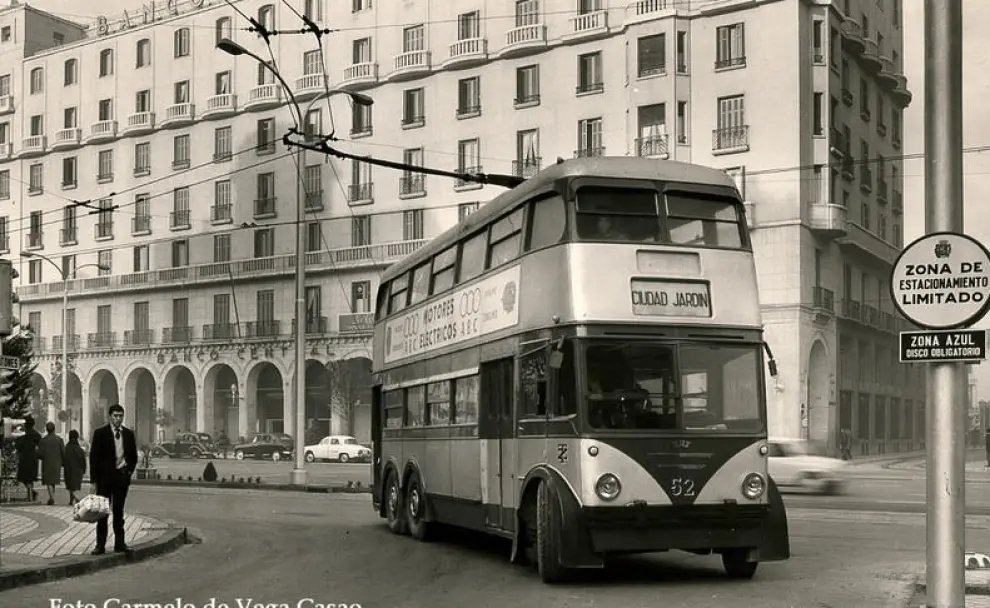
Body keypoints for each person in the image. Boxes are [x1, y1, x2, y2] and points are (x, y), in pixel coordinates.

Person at [89, 404, 138, 554]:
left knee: (118, 511)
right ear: (110, 416)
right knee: (103, 512)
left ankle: (120, 543)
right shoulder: (100, 433)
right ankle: (100, 545)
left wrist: (128, 471)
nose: (118, 419)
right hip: (105, 479)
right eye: (115, 416)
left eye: (120, 416)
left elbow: (133, 456)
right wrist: (93, 481)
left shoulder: (128, 434)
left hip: (121, 478)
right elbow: (94, 458)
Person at [14, 417, 41, 501]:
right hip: (33, 458)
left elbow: (17, 446)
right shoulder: (37, 435)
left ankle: (30, 496)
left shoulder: (21, 434)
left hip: (24, 458)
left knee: (23, 477)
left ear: (25, 424)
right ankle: (31, 494)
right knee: (30, 477)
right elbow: (40, 446)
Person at [38, 421, 64, 505]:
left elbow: (40, 453)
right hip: (57, 463)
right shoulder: (59, 440)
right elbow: (63, 452)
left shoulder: (43, 440)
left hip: (47, 463)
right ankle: (51, 497)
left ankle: (52, 498)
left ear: (46, 429)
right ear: (54, 429)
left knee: (49, 481)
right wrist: (63, 462)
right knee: (53, 481)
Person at [63, 429, 87, 505]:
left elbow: (64, 458)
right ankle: (72, 500)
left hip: (69, 469)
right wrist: (84, 469)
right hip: (78, 470)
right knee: (74, 486)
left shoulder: (67, 447)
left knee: (70, 485)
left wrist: (63, 465)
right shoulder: (79, 448)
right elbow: (83, 460)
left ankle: (75, 499)